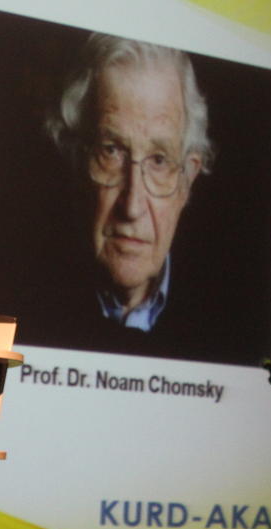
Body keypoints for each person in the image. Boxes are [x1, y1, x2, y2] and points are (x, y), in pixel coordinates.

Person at [44, 32, 215, 336]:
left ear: (187, 180)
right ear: (77, 162)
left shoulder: (227, 324)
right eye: (111, 151)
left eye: (159, 160)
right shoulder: (25, 303)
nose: (132, 207)